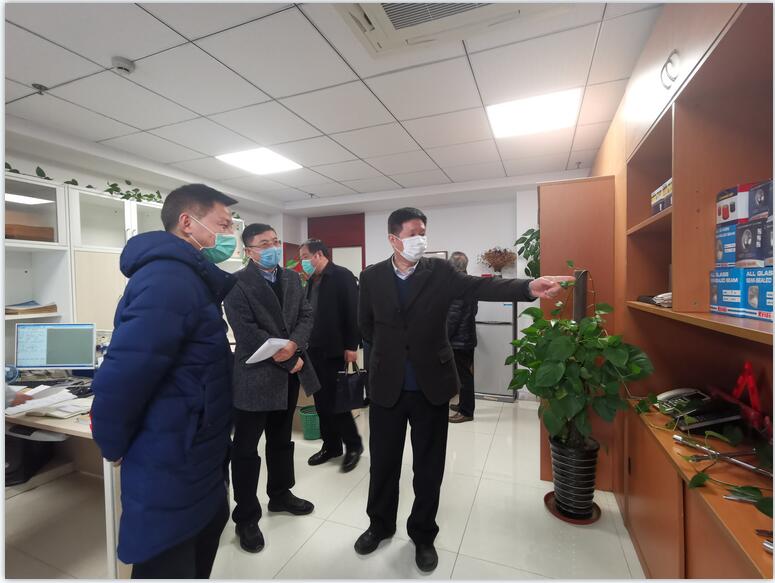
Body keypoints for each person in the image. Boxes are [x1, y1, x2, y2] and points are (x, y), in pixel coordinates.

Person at [356, 207, 572, 572]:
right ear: (393, 239)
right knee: (383, 463)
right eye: (412, 233)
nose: (420, 239)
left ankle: (423, 534)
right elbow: (366, 326)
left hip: (431, 386)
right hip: (386, 387)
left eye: (423, 232)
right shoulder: (372, 276)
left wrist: (527, 287)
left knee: (428, 467)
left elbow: (480, 286)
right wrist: (390, 353)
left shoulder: (440, 272)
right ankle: (379, 525)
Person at [90, 184, 239, 578]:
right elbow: (125, 374)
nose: (230, 235)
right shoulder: (167, 279)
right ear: (188, 223)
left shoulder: (190, 277)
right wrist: (112, 441)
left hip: (194, 449)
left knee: (200, 543)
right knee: (168, 559)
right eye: (224, 224)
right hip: (171, 456)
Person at [224, 223, 320, 554]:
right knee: (246, 449)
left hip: (287, 376)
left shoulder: (292, 278)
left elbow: (306, 315)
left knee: (281, 441)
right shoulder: (237, 283)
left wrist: (294, 345)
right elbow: (246, 331)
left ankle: (280, 495)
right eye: (264, 244)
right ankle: (246, 516)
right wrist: (288, 358)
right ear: (248, 251)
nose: (272, 248)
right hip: (255, 377)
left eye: (275, 242)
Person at [299, 239, 364, 473]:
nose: (302, 262)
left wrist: (351, 346)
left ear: (318, 254)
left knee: (337, 403)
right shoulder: (311, 280)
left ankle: (354, 446)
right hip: (313, 350)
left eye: (305, 257)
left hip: (334, 349)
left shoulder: (341, 276)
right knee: (320, 403)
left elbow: (353, 312)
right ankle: (331, 446)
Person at [446, 252, 478, 424]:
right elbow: (473, 311)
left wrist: (444, 337)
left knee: (463, 376)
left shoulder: (456, 285)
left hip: (458, 341)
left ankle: (466, 411)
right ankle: (462, 404)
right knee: (464, 375)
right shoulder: (469, 282)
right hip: (467, 337)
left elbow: (453, 317)